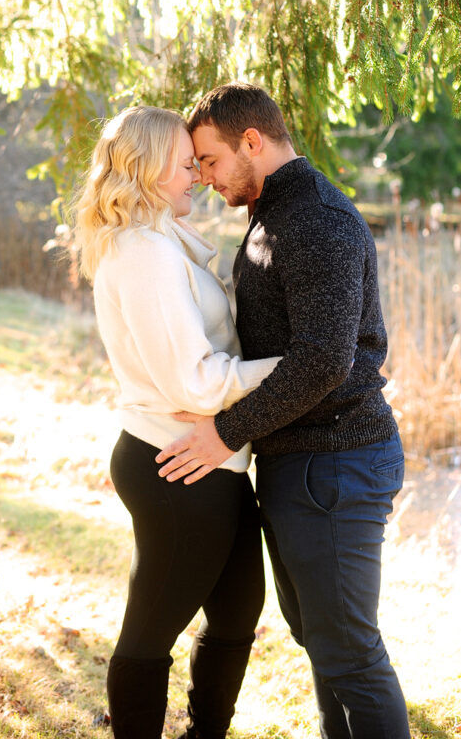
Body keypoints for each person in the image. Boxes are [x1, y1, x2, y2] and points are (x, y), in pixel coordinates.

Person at [156, 83, 410, 739]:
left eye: (207, 160)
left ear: (251, 142)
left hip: (335, 461)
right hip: (302, 463)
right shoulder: (278, 211)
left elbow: (324, 361)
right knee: (321, 643)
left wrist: (223, 434)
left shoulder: (314, 219)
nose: (202, 177)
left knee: (349, 653)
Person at [74, 105, 280, 739]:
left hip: (208, 456)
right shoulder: (143, 252)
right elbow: (195, 382)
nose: (196, 173)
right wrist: (295, 367)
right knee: (151, 628)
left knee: (238, 612)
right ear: (146, 168)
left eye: (198, 161)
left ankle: (204, 734)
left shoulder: (160, 242)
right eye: (184, 163)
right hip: (176, 460)